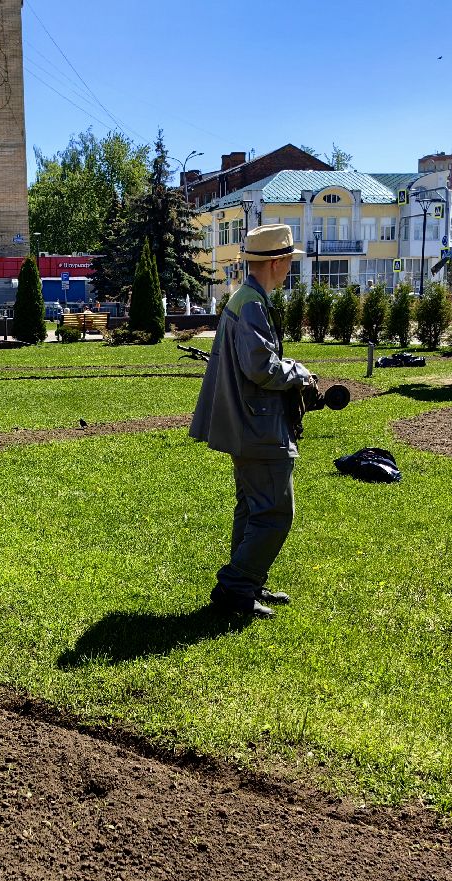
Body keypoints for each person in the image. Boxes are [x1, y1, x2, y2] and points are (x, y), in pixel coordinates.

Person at [189, 224, 319, 620]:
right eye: (289, 263)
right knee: (276, 513)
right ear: (277, 262)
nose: (289, 270)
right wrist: (300, 373)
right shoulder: (252, 304)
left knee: (251, 508)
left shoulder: (246, 297)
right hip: (257, 426)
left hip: (246, 423)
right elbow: (260, 367)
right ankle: (235, 590)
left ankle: (247, 581)